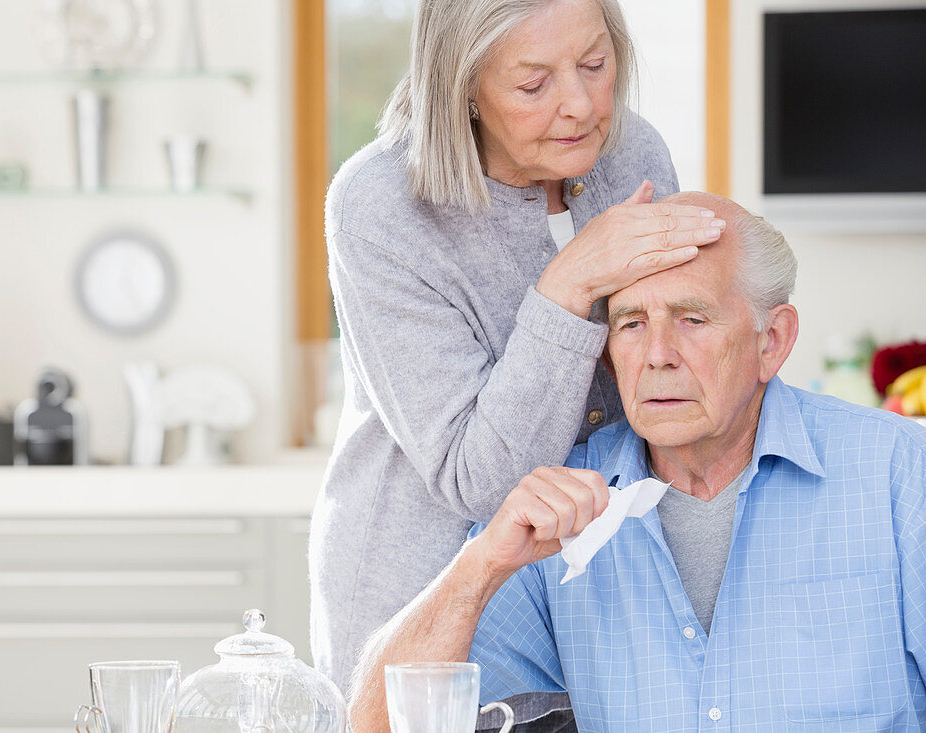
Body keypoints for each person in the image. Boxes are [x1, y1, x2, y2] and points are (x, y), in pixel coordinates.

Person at [349, 192, 926, 732]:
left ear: (771, 340)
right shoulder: (556, 509)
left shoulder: (898, 470)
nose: (656, 356)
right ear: (607, 353)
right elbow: (377, 723)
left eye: (692, 319)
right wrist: (480, 569)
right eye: (630, 323)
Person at [309, 0, 730, 693]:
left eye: (596, 65)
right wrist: (571, 283)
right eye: (533, 85)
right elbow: (476, 480)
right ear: (462, 85)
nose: (581, 106)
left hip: (597, 576)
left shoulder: (633, 155)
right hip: (429, 586)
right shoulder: (380, 203)